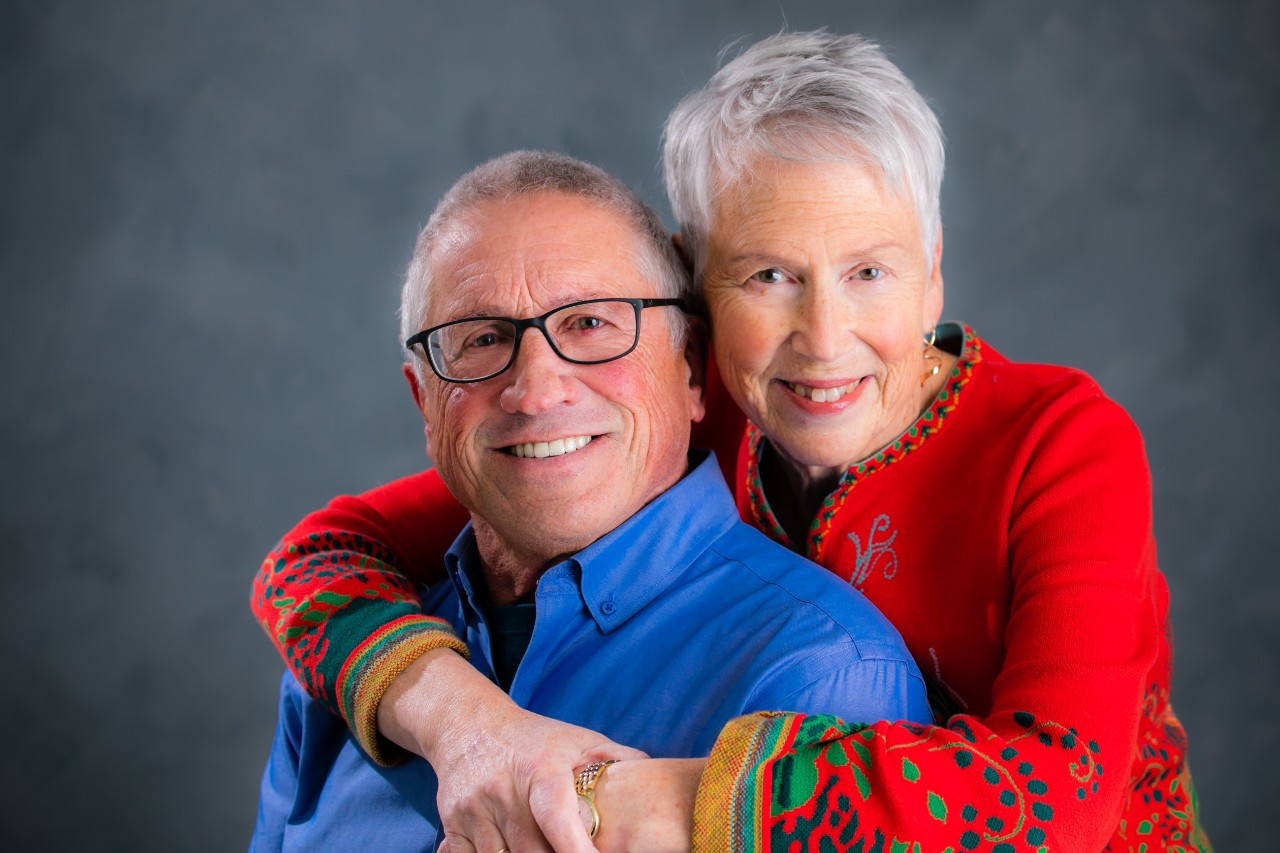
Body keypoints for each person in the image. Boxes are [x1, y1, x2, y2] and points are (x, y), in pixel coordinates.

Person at [252, 32, 1210, 852]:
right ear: (697, 299)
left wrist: (640, 801)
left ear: (934, 276)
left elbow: (1058, 804)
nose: (826, 338)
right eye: (768, 277)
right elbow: (318, 560)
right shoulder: (680, 402)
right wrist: (473, 728)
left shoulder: (1057, 440)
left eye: (871, 270)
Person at [251, 151, 930, 852]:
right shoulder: (340, 673)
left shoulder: (824, 678)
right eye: (483, 339)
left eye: (592, 324)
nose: (538, 391)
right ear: (425, 402)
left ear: (692, 367)